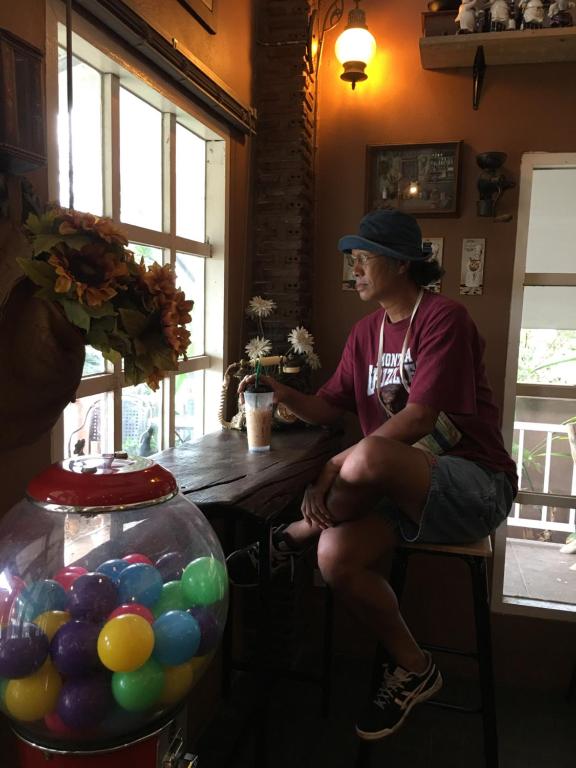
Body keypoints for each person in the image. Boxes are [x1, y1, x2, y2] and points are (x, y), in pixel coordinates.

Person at [227, 208, 517, 741]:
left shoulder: (445, 319)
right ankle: (415, 667)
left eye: (364, 259)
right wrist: (281, 392)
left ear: (402, 263)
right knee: (334, 556)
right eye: (353, 260)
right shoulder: (366, 333)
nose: (355, 269)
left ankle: (289, 537)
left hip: (475, 484)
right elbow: (328, 406)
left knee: (368, 457)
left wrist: (333, 464)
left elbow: (421, 417)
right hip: (396, 489)